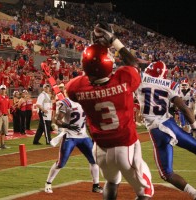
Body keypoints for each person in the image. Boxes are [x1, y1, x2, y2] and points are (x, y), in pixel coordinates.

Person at [66, 23, 154, 199]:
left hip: (100, 150)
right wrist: (113, 41)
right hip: (125, 148)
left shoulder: (76, 88)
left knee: (112, 182)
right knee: (146, 193)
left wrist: (94, 50)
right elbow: (134, 64)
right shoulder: (123, 79)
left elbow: (88, 75)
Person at [137, 61, 196, 200]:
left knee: (167, 173)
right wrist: (195, 128)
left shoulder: (140, 79)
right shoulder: (169, 84)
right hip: (171, 124)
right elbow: (184, 108)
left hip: (157, 131)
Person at [45, 97, 102, 194]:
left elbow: (87, 122)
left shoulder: (85, 101)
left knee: (94, 160)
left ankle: (96, 186)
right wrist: (68, 125)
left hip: (83, 136)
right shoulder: (67, 102)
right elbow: (56, 120)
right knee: (61, 163)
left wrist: (93, 136)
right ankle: (48, 183)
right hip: (70, 136)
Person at [0, 85, 11, 149]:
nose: (3, 90)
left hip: (5, 116)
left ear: (6, 90)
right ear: (0, 90)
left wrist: (9, 115)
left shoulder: (7, 98)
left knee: (3, 131)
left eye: (4, 89)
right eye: (2, 89)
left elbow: (8, 108)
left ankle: (2, 144)